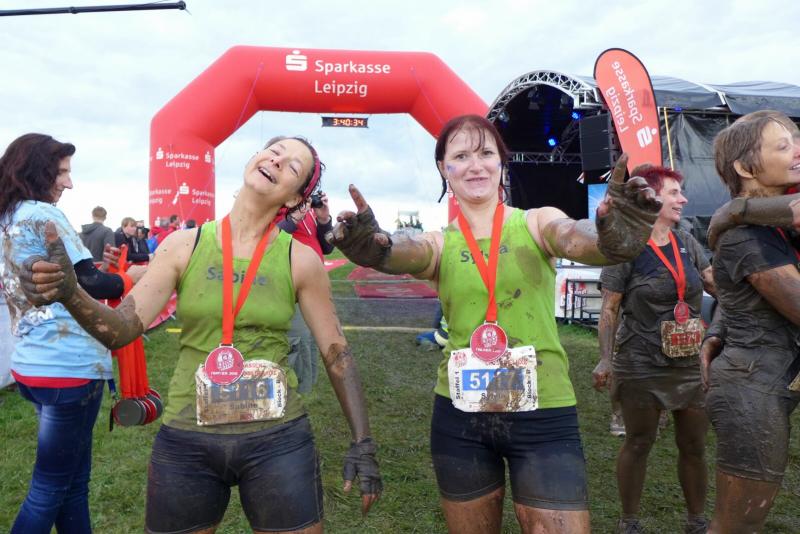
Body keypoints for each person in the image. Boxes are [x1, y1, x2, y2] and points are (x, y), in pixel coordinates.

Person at [21, 135, 382, 533]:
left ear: (295, 198)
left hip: (278, 439)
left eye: (293, 166)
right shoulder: (182, 245)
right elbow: (120, 329)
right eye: (275, 152)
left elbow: (336, 352)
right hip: (187, 441)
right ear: (256, 158)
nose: (278, 161)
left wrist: (363, 443)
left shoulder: (302, 260)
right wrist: (70, 292)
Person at [329, 114, 661, 533]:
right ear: (443, 168)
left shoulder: (536, 221)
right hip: (460, 418)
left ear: (502, 163)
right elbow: (403, 250)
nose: (475, 165)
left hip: (544, 412)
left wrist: (611, 236)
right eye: (461, 156)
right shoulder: (439, 242)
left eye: (486, 153)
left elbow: (577, 237)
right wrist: (376, 249)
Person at [0, 133, 142, 533]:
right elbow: (92, 285)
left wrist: (100, 268)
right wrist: (132, 277)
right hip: (68, 366)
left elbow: (70, 279)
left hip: (32, 362)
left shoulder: (9, 217)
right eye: (61, 173)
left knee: (72, 486)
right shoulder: (45, 214)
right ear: (36, 172)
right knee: (48, 490)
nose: (69, 183)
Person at [591, 165, 715, 534]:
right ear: (651, 197)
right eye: (674, 193)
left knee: (694, 445)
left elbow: (713, 283)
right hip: (641, 362)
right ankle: (629, 521)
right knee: (639, 441)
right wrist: (605, 358)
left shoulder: (686, 241)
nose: (683, 200)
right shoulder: (628, 247)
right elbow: (609, 309)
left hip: (689, 362)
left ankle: (697, 521)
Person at [695, 110, 800, 533]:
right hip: (751, 388)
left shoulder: (767, 228)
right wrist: (732, 216)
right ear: (745, 167)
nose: (798, 152)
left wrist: (732, 211)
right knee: (738, 523)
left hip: (768, 379)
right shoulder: (744, 236)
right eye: (784, 146)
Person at [277, 191, 335, 394]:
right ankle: (287, 392)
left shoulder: (306, 206)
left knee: (308, 341)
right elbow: (266, 239)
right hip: (288, 288)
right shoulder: (274, 202)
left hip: (312, 288)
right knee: (295, 342)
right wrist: (294, 218)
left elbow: (327, 247)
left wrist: (324, 219)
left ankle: (302, 389)